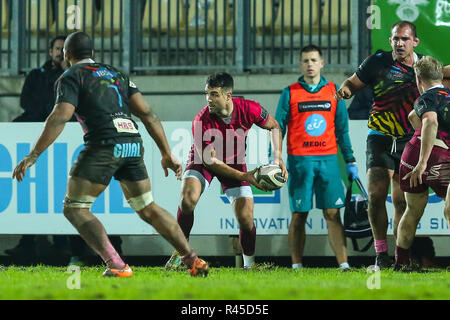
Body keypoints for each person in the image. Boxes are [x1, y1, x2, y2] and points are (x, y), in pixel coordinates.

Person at [12, 31, 208, 277]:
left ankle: (116, 265)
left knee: (74, 208)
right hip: (132, 143)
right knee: (147, 206)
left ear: (67, 55)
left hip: (103, 145)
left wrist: (33, 155)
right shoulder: (117, 74)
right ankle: (193, 260)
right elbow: (148, 115)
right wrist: (166, 153)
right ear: (93, 54)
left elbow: (59, 117)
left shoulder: (70, 76)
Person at [164, 72, 288, 270]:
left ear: (228, 95)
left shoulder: (250, 109)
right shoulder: (200, 120)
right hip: (203, 162)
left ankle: (249, 265)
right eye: (207, 94)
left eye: (214, 94)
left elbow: (274, 126)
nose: (208, 99)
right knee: (187, 199)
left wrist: (277, 157)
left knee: (246, 217)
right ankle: (181, 254)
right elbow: (209, 161)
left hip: (235, 162)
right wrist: (245, 177)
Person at [335, 21, 424, 269]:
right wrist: (345, 91)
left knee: (401, 202)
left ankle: (401, 258)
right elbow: (352, 83)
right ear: (390, 40)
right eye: (395, 38)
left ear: (415, 41)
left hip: (410, 140)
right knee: (375, 195)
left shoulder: (425, 66)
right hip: (380, 136)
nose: (399, 43)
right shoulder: (377, 62)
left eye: (405, 39)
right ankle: (381, 255)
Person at [274, 45, 358, 272]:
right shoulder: (289, 93)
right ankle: (296, 265)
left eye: (313, 60)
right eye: (305, 61)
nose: (309, 64)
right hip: (300, 162)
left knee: (333, 213)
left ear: (322, 63)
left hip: (329, 161)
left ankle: (344, 264)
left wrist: (350, 160)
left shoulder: (334, 91)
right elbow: (277, 128)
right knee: (299, 214)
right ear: (300, 65)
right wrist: (276, 156)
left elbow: (342, 130)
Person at [7, 35, 73, 264]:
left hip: (63, 143)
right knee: (34, 194)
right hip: (37, 139)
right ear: (49, 51)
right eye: (56, 49)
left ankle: (63, 245)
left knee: (61, 192)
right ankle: (27, 244)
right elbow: (26, 102)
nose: (59, 53)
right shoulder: (36, 75)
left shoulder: (72, 77)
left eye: (63, 50)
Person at [395, 56, 450, 271]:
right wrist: (424, 162)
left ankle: (401, 263)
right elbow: (431, 122)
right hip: (439, 158)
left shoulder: (424, 99)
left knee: (412, 211)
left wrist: (420, 162)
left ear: (419, 80)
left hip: (412, 153)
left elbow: (414, 118)